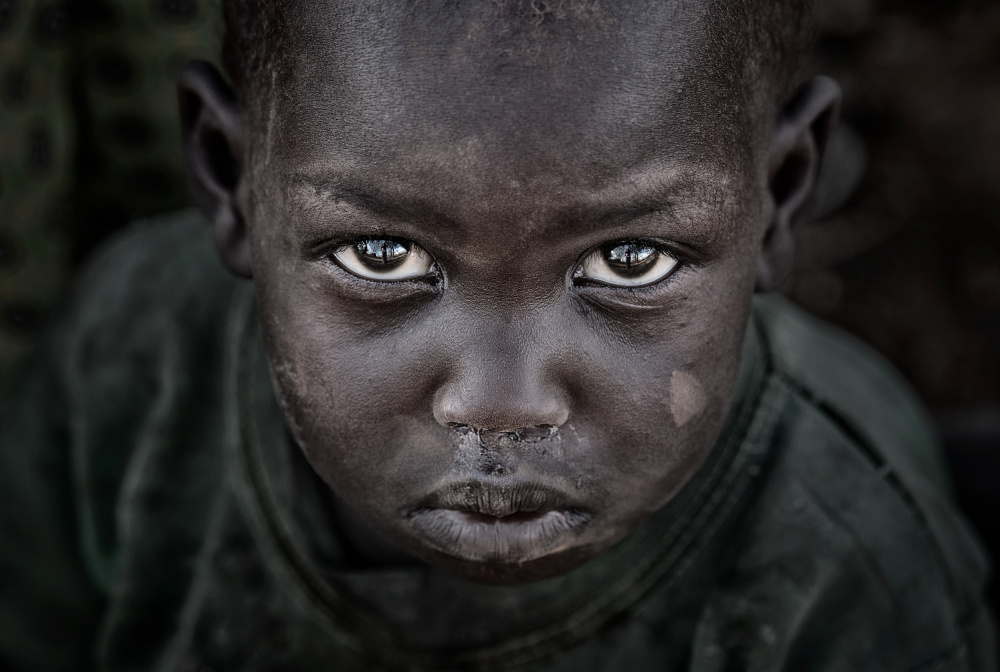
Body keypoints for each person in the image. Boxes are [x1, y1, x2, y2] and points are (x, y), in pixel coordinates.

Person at [0, 0, 994, 670]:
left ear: (777, 198)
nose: (500, 402)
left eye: (630, 262)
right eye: (382, 257)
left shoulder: (847, 569)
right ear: (229, 179)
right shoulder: (130, 357)